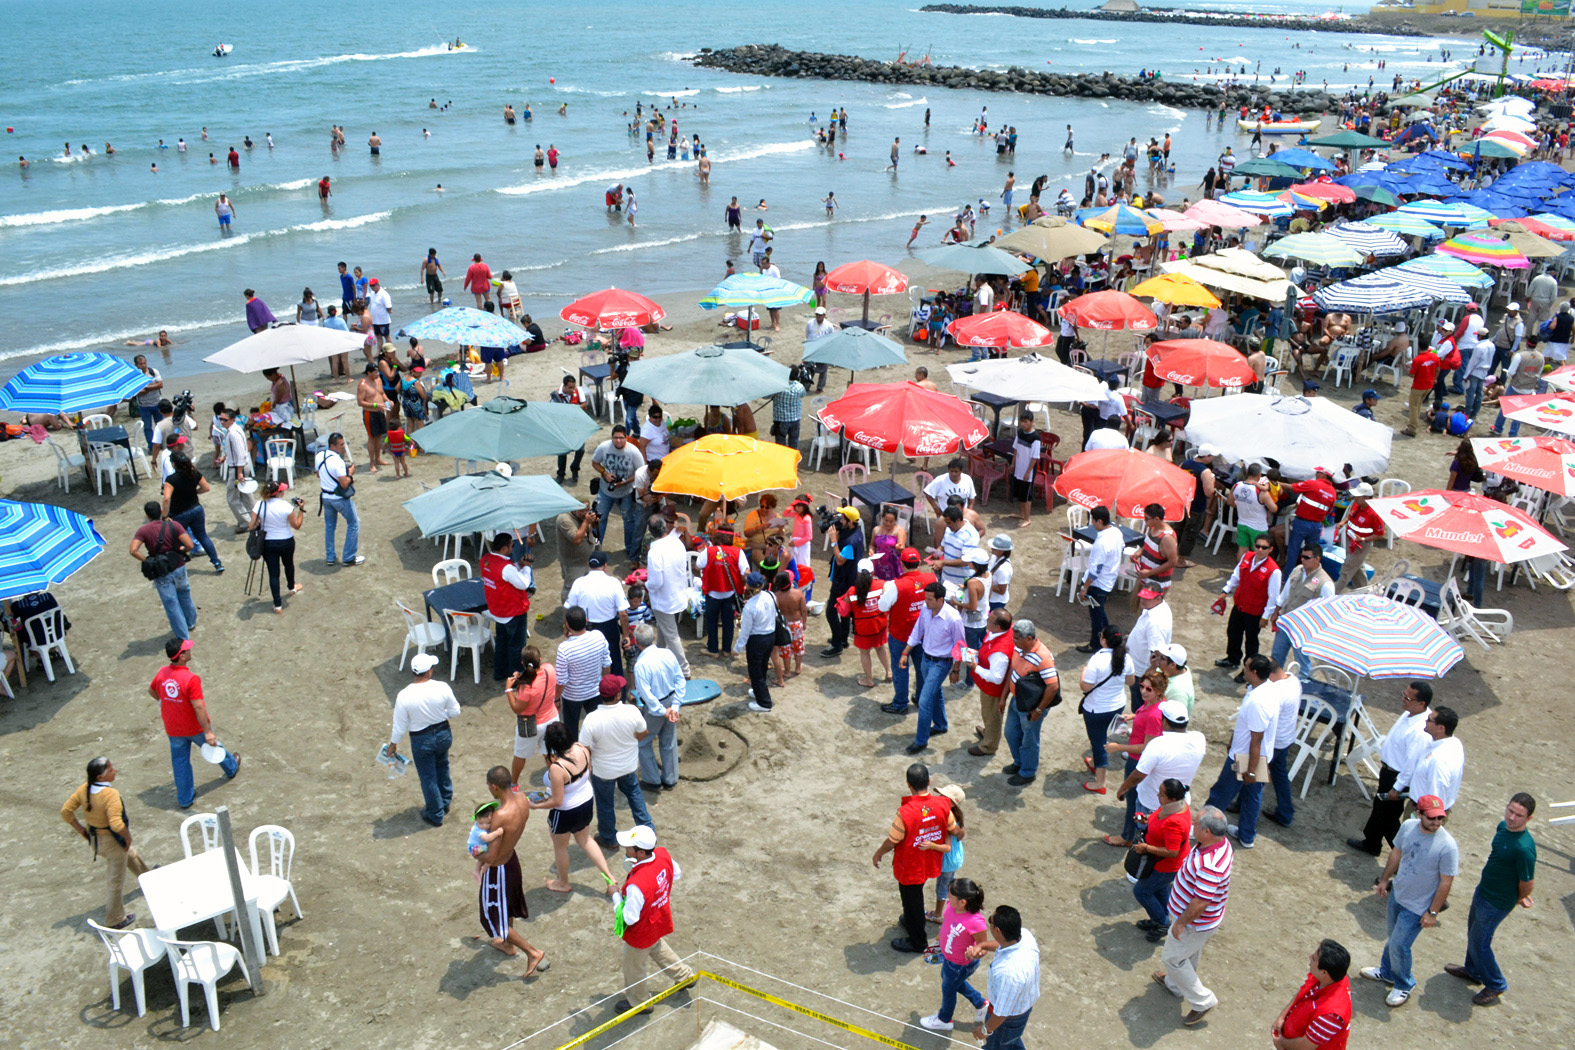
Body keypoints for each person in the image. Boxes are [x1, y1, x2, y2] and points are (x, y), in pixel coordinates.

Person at [1359, 794, 1457, 1007]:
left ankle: (1404, 984)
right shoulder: (1408, 827)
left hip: (1418, 906)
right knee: (1392, 937)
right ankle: (1387, 972)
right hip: (1398, 895)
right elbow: (1396, 853)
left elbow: (1446, 882)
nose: (1437, 823)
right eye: (1431, 818)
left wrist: (1432, 912)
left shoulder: (1447, 846)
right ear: (1419, 813)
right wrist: (1385, 880)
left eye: (1440, 818)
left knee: (1400, 945)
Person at [1445, 793, 1538, 1008]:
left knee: (1480, 943)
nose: (1512, 817)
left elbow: (1528, 882)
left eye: (1519, 815)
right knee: (1473, 932)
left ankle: (1496, 983)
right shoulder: (1502, 827)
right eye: (1510, 810)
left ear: (1529, 819)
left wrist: (1519, 898)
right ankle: (1473, 970)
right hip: (1483, 891)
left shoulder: (1524, 849)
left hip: (1497, 902)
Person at [1154, 805, 1233, 1026]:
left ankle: (1203, 1001)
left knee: (1173, 958)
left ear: (1207, 832)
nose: (1192, 827)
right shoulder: (1218, 843)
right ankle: (1175, 985)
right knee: (1188, 954)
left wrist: (1180, 923)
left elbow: (1201, 901)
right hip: (1203, 923)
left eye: (1196, 824)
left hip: (1195, 923)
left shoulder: (1210, 865)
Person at [873, 762, 958, 953]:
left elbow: (893, 840)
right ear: (929, 781)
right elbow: (953, 828)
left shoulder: (904, 812)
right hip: (930, 861)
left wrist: (878, 853)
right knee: (914, 896)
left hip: (910, 866)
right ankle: (911, 921)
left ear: (908, 784)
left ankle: (918, 941)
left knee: (912, 900)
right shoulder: (943, 805)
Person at [60, 756, 154, 929]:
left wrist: (81, 830)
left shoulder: (84, 788)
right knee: (115, 881)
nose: (115, 771)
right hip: (112, 842)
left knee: (131, 854)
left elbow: (66, 811)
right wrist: (127, 837)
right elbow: (116, 824)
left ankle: (150, 878)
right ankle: (115, 919)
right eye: (111, 770)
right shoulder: (110, 795)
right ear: (100, 777)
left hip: (95, 839)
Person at [612, 824, 695, 1014]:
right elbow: (677, 873)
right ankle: (684, 976)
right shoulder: (663, 854)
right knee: (657, 947)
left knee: (634, 969)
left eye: (629, 847)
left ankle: (640, 1003)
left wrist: (615, 895)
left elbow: (629, 918)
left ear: (640, 853)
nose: (626, 849)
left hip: (640, 932)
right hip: (659, 919)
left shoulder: (636, 885)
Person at [474, 766, 548, 976]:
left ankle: (532, 952)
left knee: (493, 917)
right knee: (506, 908)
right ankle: (507, 944)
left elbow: (491, 856)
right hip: (512, 862)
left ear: (495, 787)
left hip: (497, 871)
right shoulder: (523, 800)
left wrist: (474, 853)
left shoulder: (500, 816)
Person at [151, 638, 240, 809]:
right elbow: (199, 707)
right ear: (182, 656)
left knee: (180, 762)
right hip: (194, 727)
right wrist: (208, 732)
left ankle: (185, 799)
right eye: (186, 650)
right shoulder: (190, 679)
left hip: (173, 728)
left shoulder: (162, 672)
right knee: (214, 746)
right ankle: (231, 767)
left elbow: (152, 690)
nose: (189, 650)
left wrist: (166, 702)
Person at [1348, 682, 1433, 856]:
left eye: (1408, 698)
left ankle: (1403, 854)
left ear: (1421, 703)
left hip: (1397, 777)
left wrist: (1397, 787)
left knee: (1388, 818)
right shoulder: (1411, 712)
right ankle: (1371, 842)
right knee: (1379, 808)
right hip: (1389, 771)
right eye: (1404, 694)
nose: (1403, 699)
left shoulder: (1421, 731)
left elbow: (1411, 765)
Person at [528, 722, 614, 893]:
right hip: (586, 801)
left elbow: (557, 801)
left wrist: (535, 806)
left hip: (566, 811)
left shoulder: (557, 768)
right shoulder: (582, 748)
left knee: (560, 847)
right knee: (586, 840)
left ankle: (563, 882)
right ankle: (610, 877)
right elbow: (587, 770)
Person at [1205, 654, 1278, 849]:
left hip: (1245, 758)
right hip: (1258, 756)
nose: (1243, 670)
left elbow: (1256, 739)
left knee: (1220, 794)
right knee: (1252, 796)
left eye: (1246, 667)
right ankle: (1246, 835)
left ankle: (1204, 829)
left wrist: (1251, 771)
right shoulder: (1265, 689)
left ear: (1254, 672)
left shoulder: (1258, 702)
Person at [579, 674, 653, 848]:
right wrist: (632, 741)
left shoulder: (592, 719)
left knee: (605, 804)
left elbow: (584, 747)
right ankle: (648, 831)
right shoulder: (632, 711)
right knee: (634, 795)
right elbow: (643, 732)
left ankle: (609, 838)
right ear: (618, 694)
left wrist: (589, 763)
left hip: (603, 771)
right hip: (628, 766)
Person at [387, 653, 460, 826]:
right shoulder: (442, 687)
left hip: (421, 740)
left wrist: (392, 745)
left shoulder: (404, 695)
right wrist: (441, 715)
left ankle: (435, 813)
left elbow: (399, 726)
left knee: (428, 777)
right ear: (428, 672)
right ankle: (445, 801)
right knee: (443, 766)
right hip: (443, 734)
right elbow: (455, 711)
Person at [899, 583, 967, 754]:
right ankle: (941, 724)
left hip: (941, 663)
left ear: (940, 599)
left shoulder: (953, 618)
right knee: (934, 692)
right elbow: (917, 631)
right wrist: (906, 652)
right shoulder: (925, 609)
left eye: (929, 599)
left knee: (924, 700)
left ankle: (921, 740)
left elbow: (960, 646)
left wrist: (956, 670)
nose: (925, 601)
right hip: (925, 658)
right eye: (925, 598)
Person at [920, 876, 989, 1031]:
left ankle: (944, 1019)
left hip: (961, 965)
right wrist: (938, 941)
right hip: (948, 958)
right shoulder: (952, 907)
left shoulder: (976, 922)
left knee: (948, 989)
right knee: (950, 981)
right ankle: (980, 1003)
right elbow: (947, 924)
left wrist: (975, 953)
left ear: (962, 902)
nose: (947, 897)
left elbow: (983, 947)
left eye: (950, 895)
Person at [968, 905, 1040, 1049]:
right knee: (1010, 1043)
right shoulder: (1024, 936)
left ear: (998, 930)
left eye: (990, 921)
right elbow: (1003, 944)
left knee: (997, 1045)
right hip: (1021, 1009)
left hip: (1007, 1021)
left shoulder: (1009, 974)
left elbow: (1001, 1014)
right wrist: (983, 945)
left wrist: (984, 1031)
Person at [1131, 778, 1192, 939]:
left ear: (1172, 799)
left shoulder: (1175, 822)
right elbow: (1158, 817)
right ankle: (1159, 917)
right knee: (1158, 889)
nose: (1158, 795)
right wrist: (1147, 819)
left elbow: (1172, 851)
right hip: (1160, 863)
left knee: (1141, 891)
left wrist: (1146, 848)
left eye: (1162, 794)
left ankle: (1161, 923)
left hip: (1166, 866)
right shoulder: (1173, 807)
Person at [1000, 619, 1058, 786]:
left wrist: (1039, 710)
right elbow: (1012, 670)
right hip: (1017, 700)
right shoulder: (1019, 649)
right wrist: (1004, 697)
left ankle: (1027, 772)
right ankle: (1019, 763)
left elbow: (1053, 686)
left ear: (1030, 638)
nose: (1014, 641)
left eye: (1017, 638)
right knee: (1011, 733)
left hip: (1032, 706)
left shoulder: (1043, 657)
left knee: (1029, 739)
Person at [1078, 625, 1136, 793]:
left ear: (1103, 640)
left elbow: (1086, 686)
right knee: (1112, 728)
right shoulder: (1126, 658)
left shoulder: (1097, 659)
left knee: (1098, 743)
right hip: (1118, 704)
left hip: (1096, 709)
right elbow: (1131, 682)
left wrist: (1083, 673)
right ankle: (1117, 742)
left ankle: (1100, 783)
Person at [881, 548, 937, 717]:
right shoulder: (931, 578)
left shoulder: (895, 586)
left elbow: (882, 607)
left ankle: (900, 703)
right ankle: (921, 698)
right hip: (923, 634)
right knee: (922, 669)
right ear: (919, 563)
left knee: (900, 669)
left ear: (901, 565)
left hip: (901, 635)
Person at [131, 501, 198, 640]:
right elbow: (189, 545)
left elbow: (133, 550)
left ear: (147, 515)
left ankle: (183, 636)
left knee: (171, 604)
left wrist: (146, 560)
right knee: (185, 594)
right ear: (161, 511)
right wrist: (182, 550)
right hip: (178, 565)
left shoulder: (143, 531)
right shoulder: (174, 525)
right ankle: (191, 623)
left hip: (161, 571)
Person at [1216, 535, 1280, 673]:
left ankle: (1249, 670)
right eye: (1258, 546)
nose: (1260, 550)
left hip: (1255, 612)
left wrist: (1265, 617)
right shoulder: (1247, 557)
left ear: (1271, 549)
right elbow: (1236, 576)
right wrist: (1226, 590)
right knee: (1233, 632)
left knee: (1251, 642)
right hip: (1239, 605)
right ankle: (1232, 658)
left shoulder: (1273, 570)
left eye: (1264, 547)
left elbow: (1273, 596)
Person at [1272, 941, 1354, 1050]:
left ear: (1324, 973)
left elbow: (1305, 1046)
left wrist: (1282, 1043)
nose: (1310, 957)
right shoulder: (1332, 977)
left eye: (1314, 958)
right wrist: (1282, 1017)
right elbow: (1304, 990)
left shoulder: (1330, 1016)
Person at [631, 625, 684, 789]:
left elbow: (646, 695)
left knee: (642, 742)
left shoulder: (640, 665)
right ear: (653, 637)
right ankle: (670, 778)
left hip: (656, 708)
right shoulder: (667, 653)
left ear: (637, 643)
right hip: (671, 700)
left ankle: (652, 780)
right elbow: (680, 680)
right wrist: (674, 707)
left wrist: (663, 711)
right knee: (668, 741)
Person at [1268, 545, 1334, 676]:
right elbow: (1285, 593)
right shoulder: (1298, 570)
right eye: (1302, 556)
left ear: (1317, 559)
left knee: (1303, 664)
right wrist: (1276, 612)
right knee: (1276, 657)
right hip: (1286, 622)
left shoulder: (1325, 583)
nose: (1302, 559)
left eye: (1307, 557)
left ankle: (1304, 690)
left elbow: (1328, 611)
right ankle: (1273, 685)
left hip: (1304, 630)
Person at [642, 518, 692, 677]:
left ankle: (685, 670)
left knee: (671, 635)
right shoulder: (677, 543)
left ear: (650, 531)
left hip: (664, 599)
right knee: (664, 630)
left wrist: (644, 584)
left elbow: (656, 582)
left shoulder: (654, 552)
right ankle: (659, 658)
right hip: (678, 594)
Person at [568, 552, 631, 678]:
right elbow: (623, 613)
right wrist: (626, 635)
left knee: (588, 662)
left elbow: (570, 610)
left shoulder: (579, 583)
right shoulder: (613, 582)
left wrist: (568, 629)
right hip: (609, 628)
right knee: (613, 660)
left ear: (589, 565)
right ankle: (617, 693)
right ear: (605, 566)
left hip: (585, 628)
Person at [482, 533, 534, 683]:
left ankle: (499, 673)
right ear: (504, 548)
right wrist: (527, 568)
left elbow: (505, 576)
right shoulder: (506, 568)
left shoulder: (485, 560)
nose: (513, 547)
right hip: (513, 612)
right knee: (516, 647)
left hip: (498, 610)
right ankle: (515, 678)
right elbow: (523, 584)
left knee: (502, 644)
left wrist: (519, 564)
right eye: (512, 545)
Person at [161, 450, 223, 574]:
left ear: (173, 464)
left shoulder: (171, 479)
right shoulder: (194, 473)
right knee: (202, 536)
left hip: (179, 514)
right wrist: (195, 492)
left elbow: (166, 498)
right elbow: (206, 488)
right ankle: (216, 562)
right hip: (196, 509)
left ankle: (179, 562)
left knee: (175, 540)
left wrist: (165, 515)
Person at [555, 607, 612, 740]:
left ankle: (576, 756)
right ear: (586, 621)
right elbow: (606, 663)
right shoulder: (599, 636)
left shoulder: (564, 649)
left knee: (571, 729)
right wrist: (605, 683)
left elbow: (562, 680)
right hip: (595, 691)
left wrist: (557, 698)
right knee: (598, 728)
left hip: (572, 696)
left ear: (567, 625)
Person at [248, 479, 304, 614]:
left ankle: (277, 605)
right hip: (286, 541)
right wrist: (301, 510)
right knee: (289, 565)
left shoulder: (260, 505)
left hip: (268, 543)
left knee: (273, 574)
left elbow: (252, 526)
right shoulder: (286, 506)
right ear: (278, 493)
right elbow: (296, 525)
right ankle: (292, 587)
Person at [591, 427, 646, 562]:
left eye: (621, 437)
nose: (618, 440)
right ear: (611, 437)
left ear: (626, 438)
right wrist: (604, 473)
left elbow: (641, 472)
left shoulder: (633, 452)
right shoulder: (604, 447)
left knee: (628, 521)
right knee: (598, 519)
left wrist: (625, 482)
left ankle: (629, 549)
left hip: (625, 492)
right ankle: (596, 549)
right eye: (615, 437)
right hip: (605, 491)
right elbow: (595, 463)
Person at [1074, 506, 1123, 653]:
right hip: (1109, 580)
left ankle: (1095, 644)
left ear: (1099, 521)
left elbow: (1095, 570)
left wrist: (1084, 588)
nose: (1092, 524)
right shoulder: (1116, 532)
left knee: (1096, 617)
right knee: (1100, 613)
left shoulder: (1102, 543)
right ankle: (1111, 639)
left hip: (1098, 585)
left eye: (1093, 521)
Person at [506, 647, 557, 784]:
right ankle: (558, 781)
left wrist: (508, 690)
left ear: (523, 663)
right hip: (551, 720)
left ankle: (514, 785)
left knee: (520, 756)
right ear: (540, 660)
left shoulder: (525, 687)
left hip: (531, 726)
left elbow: (517, 708)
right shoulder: (550, 670)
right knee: (549, 754)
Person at [1397, 706, 1464, 811]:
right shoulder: (1454, 743)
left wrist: (1425, 819)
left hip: (1424, 812)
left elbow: (1436, 795)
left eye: (1429, 720)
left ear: (1441, 728)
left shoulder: (1439, 760)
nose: (1425, 721)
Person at [315, 432, 364, 567]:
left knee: (330, 527)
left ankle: (330, 557)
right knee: (353, 523)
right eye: (341, 445)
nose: (344, 447)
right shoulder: (337, 461)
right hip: (339, 499)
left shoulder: (319, 456)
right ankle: (348, 557)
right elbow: (344, 483)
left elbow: (318, 474)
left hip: (326, 497)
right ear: (332, 445)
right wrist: (350, 473)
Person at [735, 571, 779, 712]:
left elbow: (745, 630)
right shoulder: (770, 595)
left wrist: (737, 648)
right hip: (770, 635)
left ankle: (764, 703)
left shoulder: (750, 607)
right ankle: (757, 691)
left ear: (748, 586)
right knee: (762, 666)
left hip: (757, 640)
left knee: (755, 671)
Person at [843, 564, 891, 688]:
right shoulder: (882, 585)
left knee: (865, 653)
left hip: (862, 627)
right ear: (873, 571)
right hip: (879, 625)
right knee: (881, 648)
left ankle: (869, 680)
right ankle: (889, 672)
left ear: (858, 573)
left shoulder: (852, 591)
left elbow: (845, 602)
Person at [215, 408, 256, 533]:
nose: (222, 422)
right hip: (240, 466)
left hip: (239, 468)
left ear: (232, 420)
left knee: (232, 497)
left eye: (224, 420)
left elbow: (240, 455)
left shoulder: (233, 433)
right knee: (246, 494)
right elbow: (234, 451)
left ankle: (246, 523)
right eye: (220, 419)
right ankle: (255, 519)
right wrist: (225, 457)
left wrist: (239, 473)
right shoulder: (233, 430)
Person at [1228, 462, 1275, 558]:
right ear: (1259, 475)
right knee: (1259, 552)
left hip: (1242, 523)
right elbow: (1274, 508)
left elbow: (1230, 502)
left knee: (1242, 549)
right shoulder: (1261, 492)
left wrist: (1241, 504)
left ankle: (1241, 570)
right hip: (1258, 526)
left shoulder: (1237, 485)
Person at [1134, 503, 1179, 593]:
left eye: (1147, 518)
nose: (1144, 520)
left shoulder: (1167, 538)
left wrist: (1150, 572)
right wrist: (1139, 553)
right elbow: (1148, 545)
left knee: (1146, 606)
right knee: (1136, 605)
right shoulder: (1153, 528)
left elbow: (1173, 562)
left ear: (1156, 519)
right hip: (1145, 578)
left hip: (1156, 584)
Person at [1007, 412, 1040, 528]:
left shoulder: (1035, 438)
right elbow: (1015, 449)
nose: (1023, 424)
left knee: (1026, 495)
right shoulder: (1020, 433)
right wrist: (1013, 463)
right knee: (1020, 493)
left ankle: (1027, 518)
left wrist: (1028, 472)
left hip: (1027, 471)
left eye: (1026, 422)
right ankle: (1021, 514)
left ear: (1031, 422)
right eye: (1022, 421)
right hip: (1018, 469)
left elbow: (1035, 457)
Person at [130, 355, 163, 449]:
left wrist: (147, 388)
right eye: (141, 364)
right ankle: (151, 446)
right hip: (144, 406)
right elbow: (137, 392)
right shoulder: (134, 376)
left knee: (159, 425)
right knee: (148, 427)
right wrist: (153, 387)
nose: (143, 365)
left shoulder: (153, 372)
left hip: (156, 403)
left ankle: (161, 443)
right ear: (136, 365)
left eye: (144, 363)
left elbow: (160, 384)